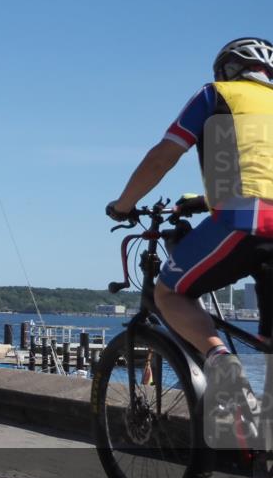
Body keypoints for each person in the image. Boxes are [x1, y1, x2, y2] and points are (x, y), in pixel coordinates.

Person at [106, 37, 273, 420]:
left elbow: (163, 157)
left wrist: (123, 205)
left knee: (168, 293)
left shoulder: (217, 94)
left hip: (246, 220)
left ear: (227, 69)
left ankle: (225, 369)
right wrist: (203, 199)